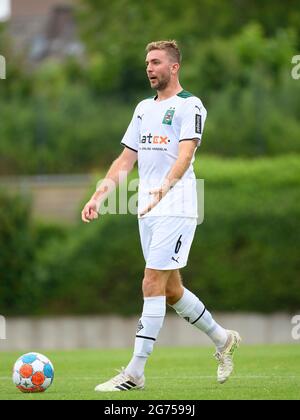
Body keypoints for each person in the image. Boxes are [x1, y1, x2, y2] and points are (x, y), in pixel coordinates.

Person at [81, 40, 241, 392]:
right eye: (146, 63)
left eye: (156, 62)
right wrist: (99, 195)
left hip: (177, 206)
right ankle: (222, 339)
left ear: (174, 67)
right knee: (171, 290)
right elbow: (126, 160)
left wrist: (163, 188)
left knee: (151, 281)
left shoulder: (190, 105)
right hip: (147, 209)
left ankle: (135, 373)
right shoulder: (142, 109)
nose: (149, 68)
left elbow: (185, 155)